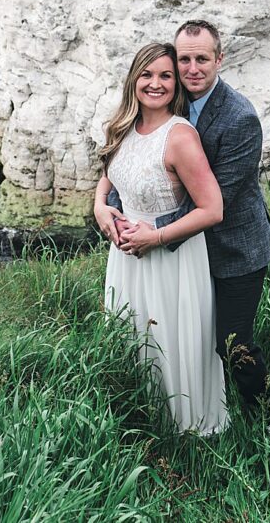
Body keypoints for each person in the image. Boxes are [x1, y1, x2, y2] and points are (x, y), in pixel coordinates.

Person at [111, 20, 270, 408]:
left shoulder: (240, 119)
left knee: (231, 341)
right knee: (187, 334)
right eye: (184, 59)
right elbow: (142, 163)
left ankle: (261, 415)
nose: (192, 69)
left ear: (219, 59)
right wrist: (112, 209)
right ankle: (186, 399)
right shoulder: (170, 98)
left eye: (202, 59)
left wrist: (150, 232)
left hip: (233, 248)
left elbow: (217, 201)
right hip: (187, 250)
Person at [94, 41, 228, 435]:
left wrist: (156, 237)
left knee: (171, 342)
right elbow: (110, 173)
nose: (155, 83)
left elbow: (212, 209)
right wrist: (101, 206)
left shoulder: (180, 136)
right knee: (133, 338)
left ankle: (187, 433)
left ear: (176, 84)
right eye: (147, 75)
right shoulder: (121, 127)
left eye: (166, 76)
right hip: (125, 256)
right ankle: (141, 421)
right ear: (134, 79)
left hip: (170, 257)